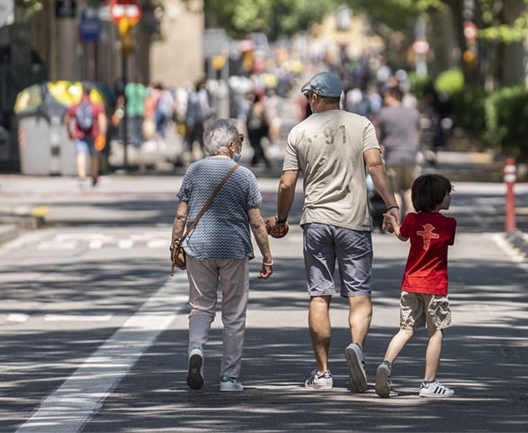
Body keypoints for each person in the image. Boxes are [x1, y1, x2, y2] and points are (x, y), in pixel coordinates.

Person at [266, 71, 400, 393]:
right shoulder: (361, 124)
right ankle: (356, 347)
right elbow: (376, 167)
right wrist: (392, 206)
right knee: (359, 293)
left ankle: (323, 373)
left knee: (319, 294)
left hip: (316, 222)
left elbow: (287, 183)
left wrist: (281, 219)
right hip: (353, 221)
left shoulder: (300, 131)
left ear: (314, 97)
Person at [170, 119, 273, 393]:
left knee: (200, 307)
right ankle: (229, 378)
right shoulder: (244, 175)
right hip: (234, 250)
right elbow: (257, 222)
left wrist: (175, 247)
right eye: (237, 141)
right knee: (234, 315)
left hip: (198, 248)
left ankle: (196, 350)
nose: (239, 145)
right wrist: (267, 255)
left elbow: (181, 214)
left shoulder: (193, 171)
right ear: (229, 145)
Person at [375, 173, 457, 398]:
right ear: (438, 198)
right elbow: (445, 239)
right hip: (435, 287)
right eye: (447, 195)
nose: (450, 199)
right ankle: (429, 383)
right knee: (435, 332)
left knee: (406, 329)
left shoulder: (411, 219)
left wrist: (392, 221)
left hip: (410, 284)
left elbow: (402, 235)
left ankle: (386, 365)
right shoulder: (449, 224)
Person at [375, 86, 421, 214]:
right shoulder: (414, 112)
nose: (385, 99)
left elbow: (376, 136)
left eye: (386, 96)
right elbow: (418, 134)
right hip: (411, 156)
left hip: (392, 157)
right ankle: (411, 218)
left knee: (394, 191)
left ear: (394, 96)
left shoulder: (384, 113)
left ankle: (396, 221)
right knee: (410, 188)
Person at [65, 83, 107, 188]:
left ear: (82, 91)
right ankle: (94, 177)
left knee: (80, 155)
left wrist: (69, 132)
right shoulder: (97, 106)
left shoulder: (76, 105)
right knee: (94, 156)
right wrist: (102, 134)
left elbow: (66, 119)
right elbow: (102, 120)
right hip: (93, 134)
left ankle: (82, 178)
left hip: (78, 135)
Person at [184, 80, 212, 160]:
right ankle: (191, 154)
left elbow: (206, 108)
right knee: (191, 138)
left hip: (200, 120)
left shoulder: (204, 95)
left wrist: (207, 117)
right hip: (193, 120)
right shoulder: (193, 96)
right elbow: (190, 109)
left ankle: (202, 153)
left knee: (201, 138)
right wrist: (189, 121)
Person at [245, 92, 272, 170]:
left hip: (257, 129)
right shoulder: (254, 106)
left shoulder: (258, 106)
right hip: (253, 129)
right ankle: (255, 161)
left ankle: (264, 162)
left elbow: (264, 117)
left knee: (257, 146)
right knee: (256, 146)